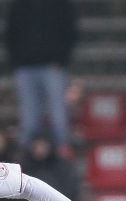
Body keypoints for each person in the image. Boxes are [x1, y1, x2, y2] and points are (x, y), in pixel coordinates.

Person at [5, 0, 78, 156]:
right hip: (25, 67)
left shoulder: (60, 4)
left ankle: (62, 156)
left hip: (52, 66)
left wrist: (60, 60)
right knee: (29, 118)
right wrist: (16, 62)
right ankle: (28, 159)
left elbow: (69, 29)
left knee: (58, 114)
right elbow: (11, 30)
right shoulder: (19, 4)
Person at [19, 133, 81, 201]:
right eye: (37, 146)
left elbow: (70, 192)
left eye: (43, 146)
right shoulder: (27, 166)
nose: (39, 149)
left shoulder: (63, 166)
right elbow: (19, 193)